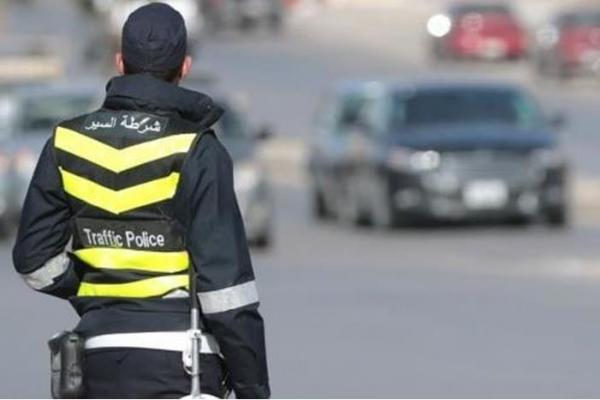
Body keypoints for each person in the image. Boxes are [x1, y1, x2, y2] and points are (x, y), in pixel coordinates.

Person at [12, 3, 270, 398]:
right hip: (180, 365)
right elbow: (226, 292)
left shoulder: (67, 141)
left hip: (97, 362)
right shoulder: (196, 150)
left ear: (120, 62)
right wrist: (253, 388)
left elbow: (34, 259)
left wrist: (95, 290)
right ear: (184, 67)